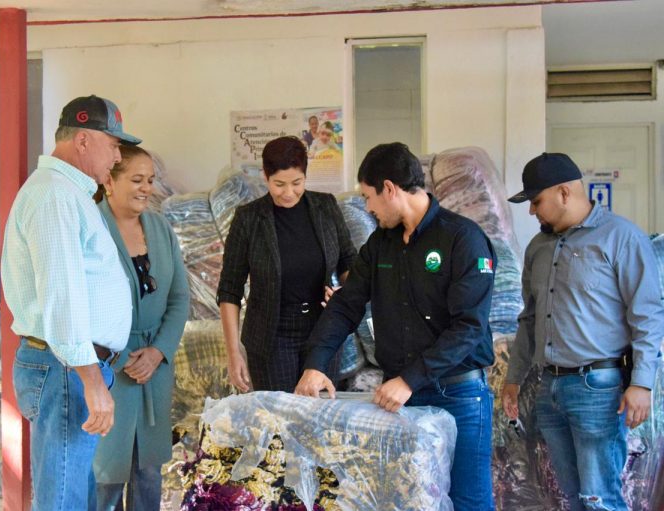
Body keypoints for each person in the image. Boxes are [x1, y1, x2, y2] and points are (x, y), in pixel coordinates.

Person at [295, 142, 497, 511]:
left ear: (389, 189)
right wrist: (316, 363)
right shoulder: (380, 245)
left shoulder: (462, 239)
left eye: (368, 197)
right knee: (410, 499)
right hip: (400, 398)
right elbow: (346, 305)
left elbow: (468, 327)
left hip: (457, 395)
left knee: (468, 502)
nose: (367, 207)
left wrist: (409, 379)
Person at [502, 153, 664, 511]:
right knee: (573, 499)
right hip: (550, 388)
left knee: (599, 499)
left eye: (535, 201)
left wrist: (642, 383)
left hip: (599, 390)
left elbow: (648, 316)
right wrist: (514, 378)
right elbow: (528, 319)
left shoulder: (620, 238)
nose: (532, 211)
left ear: (564, 192)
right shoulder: (538, 249)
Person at [1, 95, 140, 510]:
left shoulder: (68, 192)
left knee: (72, 493)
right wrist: (91, 379)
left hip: (72, 367)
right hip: (67, 369)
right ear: (83, 140)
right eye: (113, 144)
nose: (118, 156)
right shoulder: (55, 195)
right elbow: (62, 296)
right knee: (62, 499)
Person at [217, 136, 356, 393]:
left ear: (305, 175)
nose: (288, 193)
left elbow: (349, 261)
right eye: (279, 184)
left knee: (321, 418)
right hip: (271, 336)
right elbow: (229, 289)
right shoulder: (249, 219)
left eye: (297, 183)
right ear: (265, 176)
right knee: (281, 422)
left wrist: (346, 293)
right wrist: (234, 352)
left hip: (323, 330)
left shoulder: (326, 207)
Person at [92, 145, 189, 511]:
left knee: (149, 470)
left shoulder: (160, 228)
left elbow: (180, 298)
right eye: (136, 179)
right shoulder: (92, 228)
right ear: (109, 181)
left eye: (150, 180)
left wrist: (159, 351)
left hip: (154, 369)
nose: (146, 188)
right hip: (107, 368)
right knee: (107, 474)